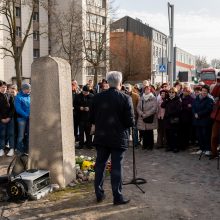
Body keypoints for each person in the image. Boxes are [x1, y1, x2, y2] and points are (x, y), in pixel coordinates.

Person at [90, 71, 134, 205]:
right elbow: (130, 121)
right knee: (116, 167)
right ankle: (117, 197)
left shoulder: (97, 97)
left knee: (100, 165)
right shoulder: (125, 98)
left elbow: (91, 118)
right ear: (120, 83)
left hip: (102, 137)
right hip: (118, 138)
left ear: (107, 83)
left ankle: (99, 193)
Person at [192, 85, 214, 155]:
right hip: (197, 120)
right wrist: (195, 113)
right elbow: (193, 107)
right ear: (201, 91)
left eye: (205, 91)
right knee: (199, 135)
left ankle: (207, 149)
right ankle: (201, 148)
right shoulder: (196, 99)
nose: (204, 92)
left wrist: (199, 114)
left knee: (206, 135)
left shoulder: (209, 100)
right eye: (203, 91)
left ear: (208, 92)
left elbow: (208, 109)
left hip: (205, 121)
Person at [161, 87, 182, 153]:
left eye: (173, 92)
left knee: (174, 134)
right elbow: (162, 105)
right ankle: (169, 146)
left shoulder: (178, 100)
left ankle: (175, 147)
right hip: (167, 120)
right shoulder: (168, 99)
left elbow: (178, 110)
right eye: (170, 92)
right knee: (168, 134)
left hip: (174, 119)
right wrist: (167, 99)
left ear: (175, 93)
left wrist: (170, 113)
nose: (171, 94)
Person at [137, 85, 157, 150]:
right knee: (144, 132)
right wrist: (141, 113)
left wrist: (146, 114)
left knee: (150, 132)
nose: (146, 91)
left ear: (150, 90)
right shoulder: (141, 97)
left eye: (148, 89)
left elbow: (154, 108)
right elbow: (138, 107)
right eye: (145, 89)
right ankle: (145, 145)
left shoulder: (153, 98)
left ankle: (150, 145)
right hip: (142, 117)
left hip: (149, 117)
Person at [14, 83, 31, 154]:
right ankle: (20, 151)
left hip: (29, 119)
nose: (30, 90)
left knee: (29, 135)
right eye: (29, 89)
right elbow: (18, 109)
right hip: (21, 119)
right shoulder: (18, 97)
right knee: (21, 136)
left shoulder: (30, 96)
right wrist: (27, 115)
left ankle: (27, 150)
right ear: (25, 89)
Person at [0, 80, 15, 157]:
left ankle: (12, 149)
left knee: (11, 134)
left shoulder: (10, 96)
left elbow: (12, 108)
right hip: (1, 119)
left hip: (10, 118)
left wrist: (9, 117)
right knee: (2, 134)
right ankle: (1, 149)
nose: (4, 89)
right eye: (3, 87)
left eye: (5, 87)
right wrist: (1, 118)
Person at [210, 73, 220, 159]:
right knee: (214, 136)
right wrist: (218, 83)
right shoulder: (218, 85)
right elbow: (213, 93)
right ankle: (214, 153)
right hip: (217, 116)